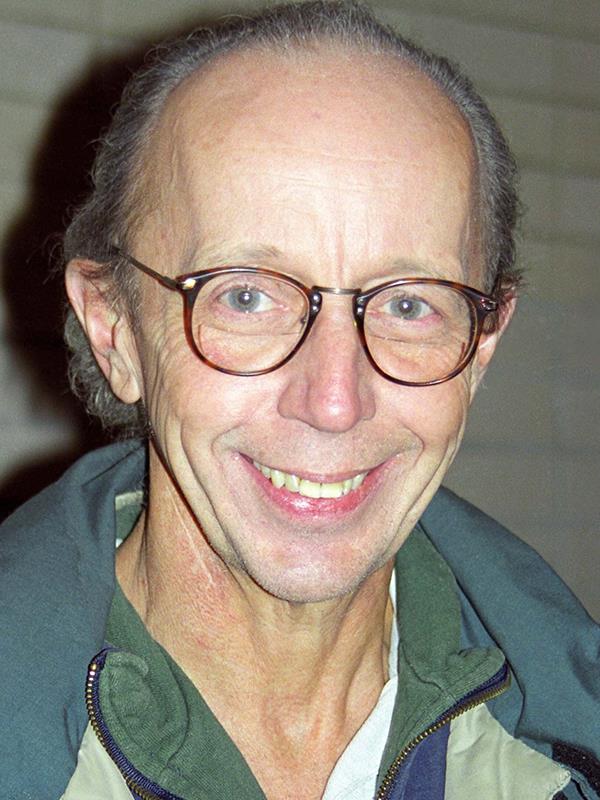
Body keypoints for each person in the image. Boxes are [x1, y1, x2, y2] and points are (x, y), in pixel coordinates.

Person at [1, 2, 599, 798]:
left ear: (481, 346)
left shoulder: (570, 745)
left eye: (409, 304)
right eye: (245, 296)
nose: (334, 401)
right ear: (115, 332)